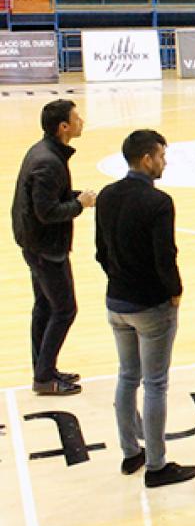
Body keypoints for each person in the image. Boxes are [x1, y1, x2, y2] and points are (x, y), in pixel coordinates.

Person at [95, 129, 195, 487]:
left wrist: (118, 279)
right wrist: (175, 293)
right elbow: (164, 257)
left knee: (127, 377)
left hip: (115, 301)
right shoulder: (159, 202)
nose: (164, 162)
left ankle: (130, 453)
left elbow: (101, 251)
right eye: (161, 156)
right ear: (145, 159)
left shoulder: (106, 195)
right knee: (155, 384)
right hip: (150, 306)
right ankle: (157, 465)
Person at [11, 99, 95, 396]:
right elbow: (46, 212)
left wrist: (76, 196)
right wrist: (79, 204)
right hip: (46, 248)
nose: (81, 121)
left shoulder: (45, 152)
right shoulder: (48, 161)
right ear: (64, 127)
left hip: (35, 244)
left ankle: (43, 369)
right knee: (64, 309)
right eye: (76, 118)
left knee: (45, 306)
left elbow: (47, 199)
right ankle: (44, 377)